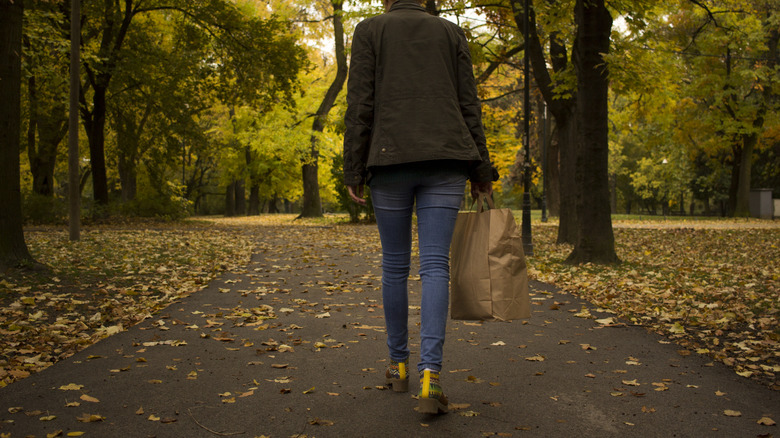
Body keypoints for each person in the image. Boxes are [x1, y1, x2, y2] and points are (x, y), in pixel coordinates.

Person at [342, 0, 497, 415]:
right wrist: (481, 168)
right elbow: (469, 104)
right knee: (434, 267)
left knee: (394, 266)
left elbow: (360, 104)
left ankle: (397, 367)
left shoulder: (369, 30)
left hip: (389, 158)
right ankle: (431, 375)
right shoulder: (450, 32)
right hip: (446, 160)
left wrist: (353, 168)